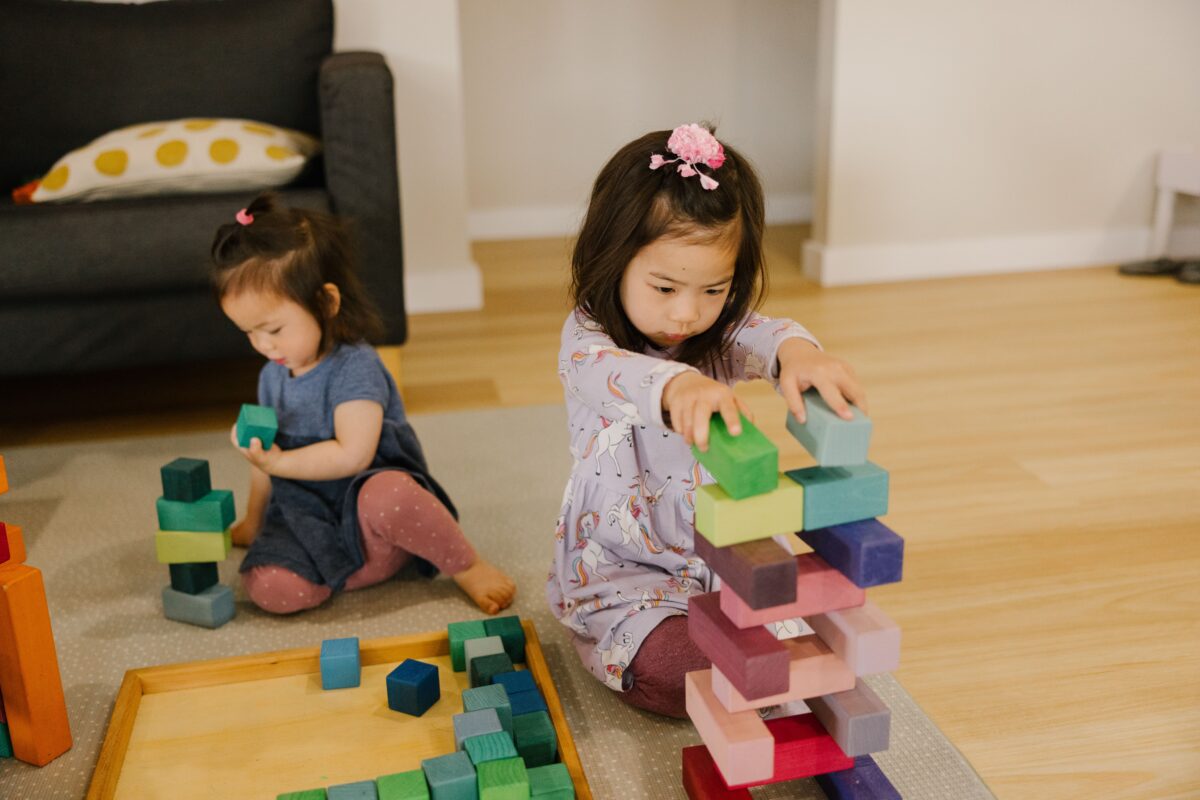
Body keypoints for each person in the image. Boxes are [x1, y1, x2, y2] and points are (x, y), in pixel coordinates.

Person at [547, 124, 867, 717]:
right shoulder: (586, 339)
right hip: (624, 569)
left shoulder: (715, 329)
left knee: (791, 646)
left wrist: (799, 354)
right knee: (681, 671)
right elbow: (611, 373)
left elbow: (764, 333)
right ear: (612, 258)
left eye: (713, 289)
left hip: (721, 554)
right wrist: (679, 384)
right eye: (665, 286)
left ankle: (741, 646)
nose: (687, 313)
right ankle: (638, 643)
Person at [210, 193, 515, 615]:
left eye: (274, 329)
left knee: (389, 496)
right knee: (266, 587)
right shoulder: (272, 377)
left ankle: (465, 564)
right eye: (249, 333)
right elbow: (263, 460)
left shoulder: (355, 368)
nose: (264, 345)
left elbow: (352, 454)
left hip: (366, 497)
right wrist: (254, 518)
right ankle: (368, 564)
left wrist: (278, 464)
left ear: (326, 303)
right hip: (307, 511)